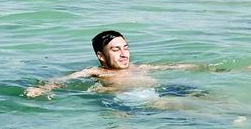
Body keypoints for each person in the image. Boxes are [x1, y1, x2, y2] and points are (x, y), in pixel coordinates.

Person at [24, 30, 231, 108]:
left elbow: (177, 66)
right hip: (137, 97)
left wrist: (217, 70)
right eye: (115, 49)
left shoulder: (139, 67)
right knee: (172, 105)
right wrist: (43, 89)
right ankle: (224, 123)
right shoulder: (97, 72)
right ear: (101, 56)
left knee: (208, 95)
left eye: (126, 48)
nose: (124, 54)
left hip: (163, 88)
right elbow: (65, 78)